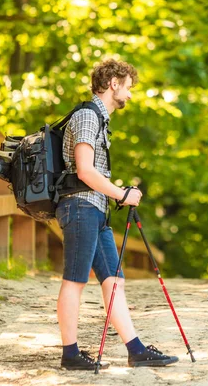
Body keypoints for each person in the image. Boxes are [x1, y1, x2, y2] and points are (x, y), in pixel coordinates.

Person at [56, 59, 179, 370]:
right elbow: (84, 170)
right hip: (81, 207)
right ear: (113, 83)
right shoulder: (86, 116)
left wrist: (115, 193)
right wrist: (121, 193)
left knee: (114, 281)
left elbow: (92, 172)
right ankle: (70, 354)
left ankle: (135, 350)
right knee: (75, 281)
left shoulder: (99, 119)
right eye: (128, 87)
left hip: (96, 210)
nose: (130, 94)